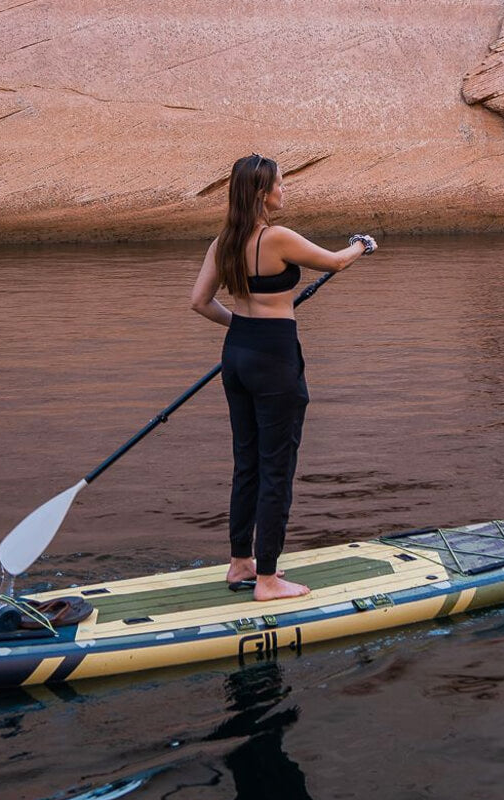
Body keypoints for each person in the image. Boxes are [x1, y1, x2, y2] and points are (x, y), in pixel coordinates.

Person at [190, 154, 377, 601]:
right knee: (278, 467)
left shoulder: (223, 243)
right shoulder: (276, 238)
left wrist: (240, 327)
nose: (283, 190)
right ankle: (269, 580)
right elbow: (334, 262)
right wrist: (362, 245)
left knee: (247, 461)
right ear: (260, 193)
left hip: (237, 355)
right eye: (279, 184)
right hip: (275, 358)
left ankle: (240, 564)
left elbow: (199, 301)